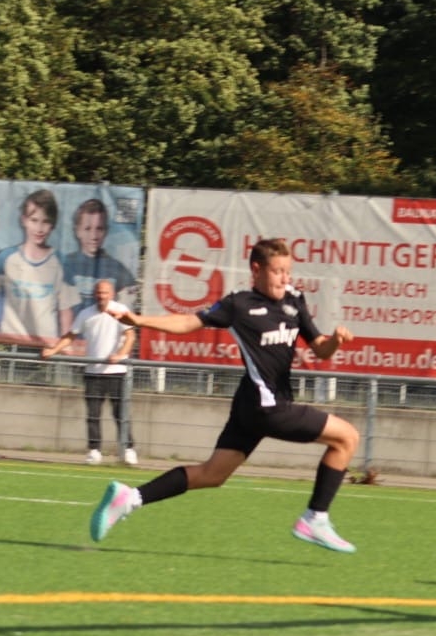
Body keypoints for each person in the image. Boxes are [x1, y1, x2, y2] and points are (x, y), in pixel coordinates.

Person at [88, 237, 360, 553]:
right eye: (277, 271)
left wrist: (335, 341)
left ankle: (130, 498)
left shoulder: (295, 300)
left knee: (212, 474)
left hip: (250, 405)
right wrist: (139, 320)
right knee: (347, 438)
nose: (285, 278)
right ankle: (316, 517)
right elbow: (189, 321)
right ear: (256, 270)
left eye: (288, 271)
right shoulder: (239, 305)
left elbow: (320, 349)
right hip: (267, 406)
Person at [40, 280, 138, 466]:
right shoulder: (86, 313)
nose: (101, 296)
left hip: (117, 372)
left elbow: (130, 336)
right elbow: (71, 335)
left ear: (112, 294)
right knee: (93, 414)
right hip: (93, 372)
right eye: (99, 292)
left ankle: (128, 450)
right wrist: (53, 350)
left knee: (121, 413)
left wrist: (120, 354)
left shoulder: (120, 310)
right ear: (94, 294)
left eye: (105, 292)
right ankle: (94, 451)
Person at [0, 188, 78, 343]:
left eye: (46, 221)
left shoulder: (61, 262)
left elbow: (65, 311)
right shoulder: (5, 258)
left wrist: (63, 348)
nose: (40, 228)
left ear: (52, 225)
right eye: (34, 220)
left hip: (46, 345)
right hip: (11, 344)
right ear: (24, 220)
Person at [62, 198, 139, 306]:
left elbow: (127, 305)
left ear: (106, 231)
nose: (94, 236)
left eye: (99, 229)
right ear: (77, 231)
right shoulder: (66, 264)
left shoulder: (118, 269)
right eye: (87, 229)